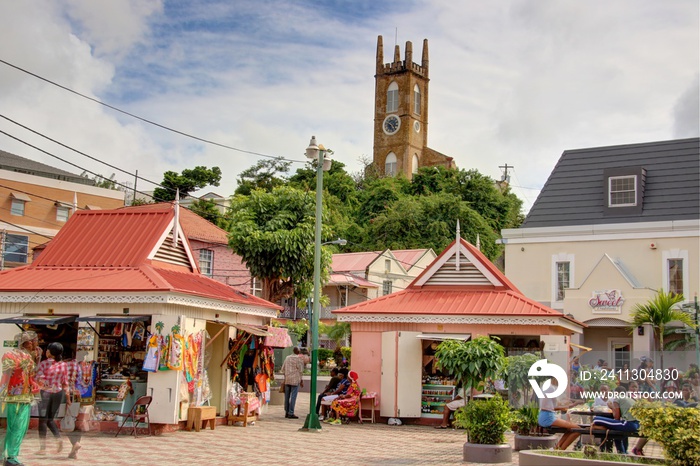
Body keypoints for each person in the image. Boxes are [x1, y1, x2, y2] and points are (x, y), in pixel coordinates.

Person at [0, 331, 40, 466]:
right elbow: (6, 375)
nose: (37, 344)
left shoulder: (26, 357)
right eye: (35, 341)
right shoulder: (12, 356)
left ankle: (5, 455)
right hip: (14, 398)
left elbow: (30, 376)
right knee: (16, 428)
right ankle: (10, 457)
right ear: (28, 343)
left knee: (15, 428)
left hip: (21, 397)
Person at [35, 342, 71, 456]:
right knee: (50, 419)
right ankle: (58, 439)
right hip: (58, 393)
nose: (46, 351)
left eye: (47, 350)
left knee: (42, 420)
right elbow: (65, 383)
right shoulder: (64, 365)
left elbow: (39, 379)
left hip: (45, 394)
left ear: (50, 352)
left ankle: (42, 448)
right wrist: (68, 398)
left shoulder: (44, 364)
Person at [591, 385, 639, 454]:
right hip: (635, 424)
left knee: (596, 419)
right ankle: (622, 453)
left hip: (628, 423)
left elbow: (616, 417)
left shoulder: (617, 400)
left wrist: (612, 407)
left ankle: (622, 453)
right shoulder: (630, 399)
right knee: (616, 433)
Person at [536, 377, 580, 450]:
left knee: (569, 429)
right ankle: (560, 451)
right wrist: (574, 404)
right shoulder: (551, 388)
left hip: (544, 414)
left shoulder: (545, 387)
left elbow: (551, 405)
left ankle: (557, 449)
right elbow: (555, 406)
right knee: (578, 429)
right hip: (548, 416)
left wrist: (565, 406)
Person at [280, 347, 304, 419]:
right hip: (295, 380)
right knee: (293, 397)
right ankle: (291, 412)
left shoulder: (287, 358)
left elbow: (283, 369)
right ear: (298, 351)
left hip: (287, 379)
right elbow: (301, 370)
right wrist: (301, 380)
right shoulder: (299, 359)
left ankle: (286, 412)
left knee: (286, 397)